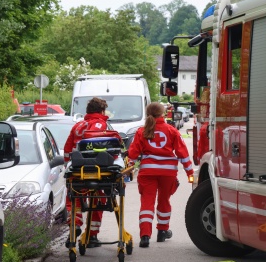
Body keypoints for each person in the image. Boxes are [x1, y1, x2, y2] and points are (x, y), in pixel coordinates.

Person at [128, 102, 193, 248]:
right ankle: (162, 232)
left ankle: (145, 236)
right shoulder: (171, 130)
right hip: (167, 173)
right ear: (163, 114)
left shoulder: (141, 131)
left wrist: (128, 168)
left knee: (147, 203)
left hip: (147, 173)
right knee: (164, 201)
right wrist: (190, 173)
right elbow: (182, 153)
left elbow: (133, 154)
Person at [63, 97, 116, 248]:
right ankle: (92, 236)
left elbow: (68, 151)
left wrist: (68, 165)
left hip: (79, 171)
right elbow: (114, 149)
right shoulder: (106, 126)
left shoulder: (78, 126)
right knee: (98, 201)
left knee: (74, 199)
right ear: (101, 111)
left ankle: (74, 226)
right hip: (102, 172)